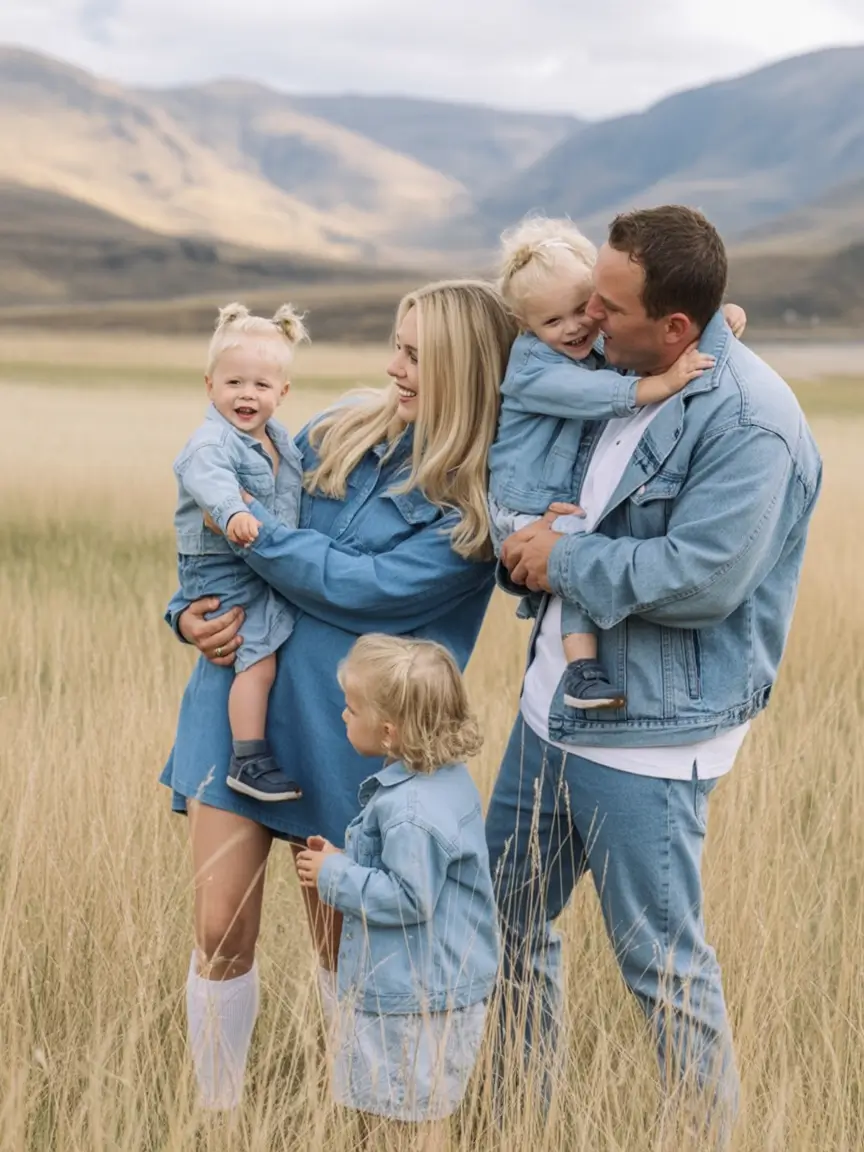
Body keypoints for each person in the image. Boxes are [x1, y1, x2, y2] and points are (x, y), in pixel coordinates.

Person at [490, 205, 822, 1141]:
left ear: (675, 326)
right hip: (548, 709)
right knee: (505, 926)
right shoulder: (619, 365)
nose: (589, 315)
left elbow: (701, 579)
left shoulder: (753, 422)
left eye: (610, 303)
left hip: (649, 737)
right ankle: (519, 1123)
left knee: (661, 970)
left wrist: (560, 559)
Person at [160, 280, 515, 1112]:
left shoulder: (473, 505)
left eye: (417, 357)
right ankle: (217, 1115)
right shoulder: (334, 429)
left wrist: (257, 535)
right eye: (396, 345)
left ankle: (349, 1109)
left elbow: (362, 590)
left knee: (343, 942)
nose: (393, 366)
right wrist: (186, 615)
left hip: (356, 732)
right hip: (240, 695)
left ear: (465, 369)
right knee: (218, 929)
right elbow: (209, 518)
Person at [488, 215, 744, 710]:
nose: (579, 324)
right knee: (572, 556)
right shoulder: (532, 368)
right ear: (526, 327)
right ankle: (582, 670)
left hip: (555, 497)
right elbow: (597, 393)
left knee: (576, 553)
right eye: (552, 321)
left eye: (585, 307)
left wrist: (717, 317)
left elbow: (661, 329)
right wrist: (663, 385)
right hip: (522, 501)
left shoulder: (585, 339)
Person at [296, 634, 498, 1145]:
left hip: (417, 1001)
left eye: (352, 708)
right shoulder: (442, 782)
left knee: (412, 1120)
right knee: (403, 1112)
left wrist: (333, 877)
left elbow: (410, 897)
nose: (343, 715)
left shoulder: (411, 812)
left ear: (387, 732)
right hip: (429, 989)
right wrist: (349, 859)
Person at [173, 302, 307, 803]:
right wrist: (234, 514)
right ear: (210, 385)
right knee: (258, 655)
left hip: (254, 564)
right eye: (233, 383)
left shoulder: (279, 440)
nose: (246, 395)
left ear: (282, 393)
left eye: (260, 385)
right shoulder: (212, 442)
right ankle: (248, 759)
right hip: (221, 565)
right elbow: (210, 483)